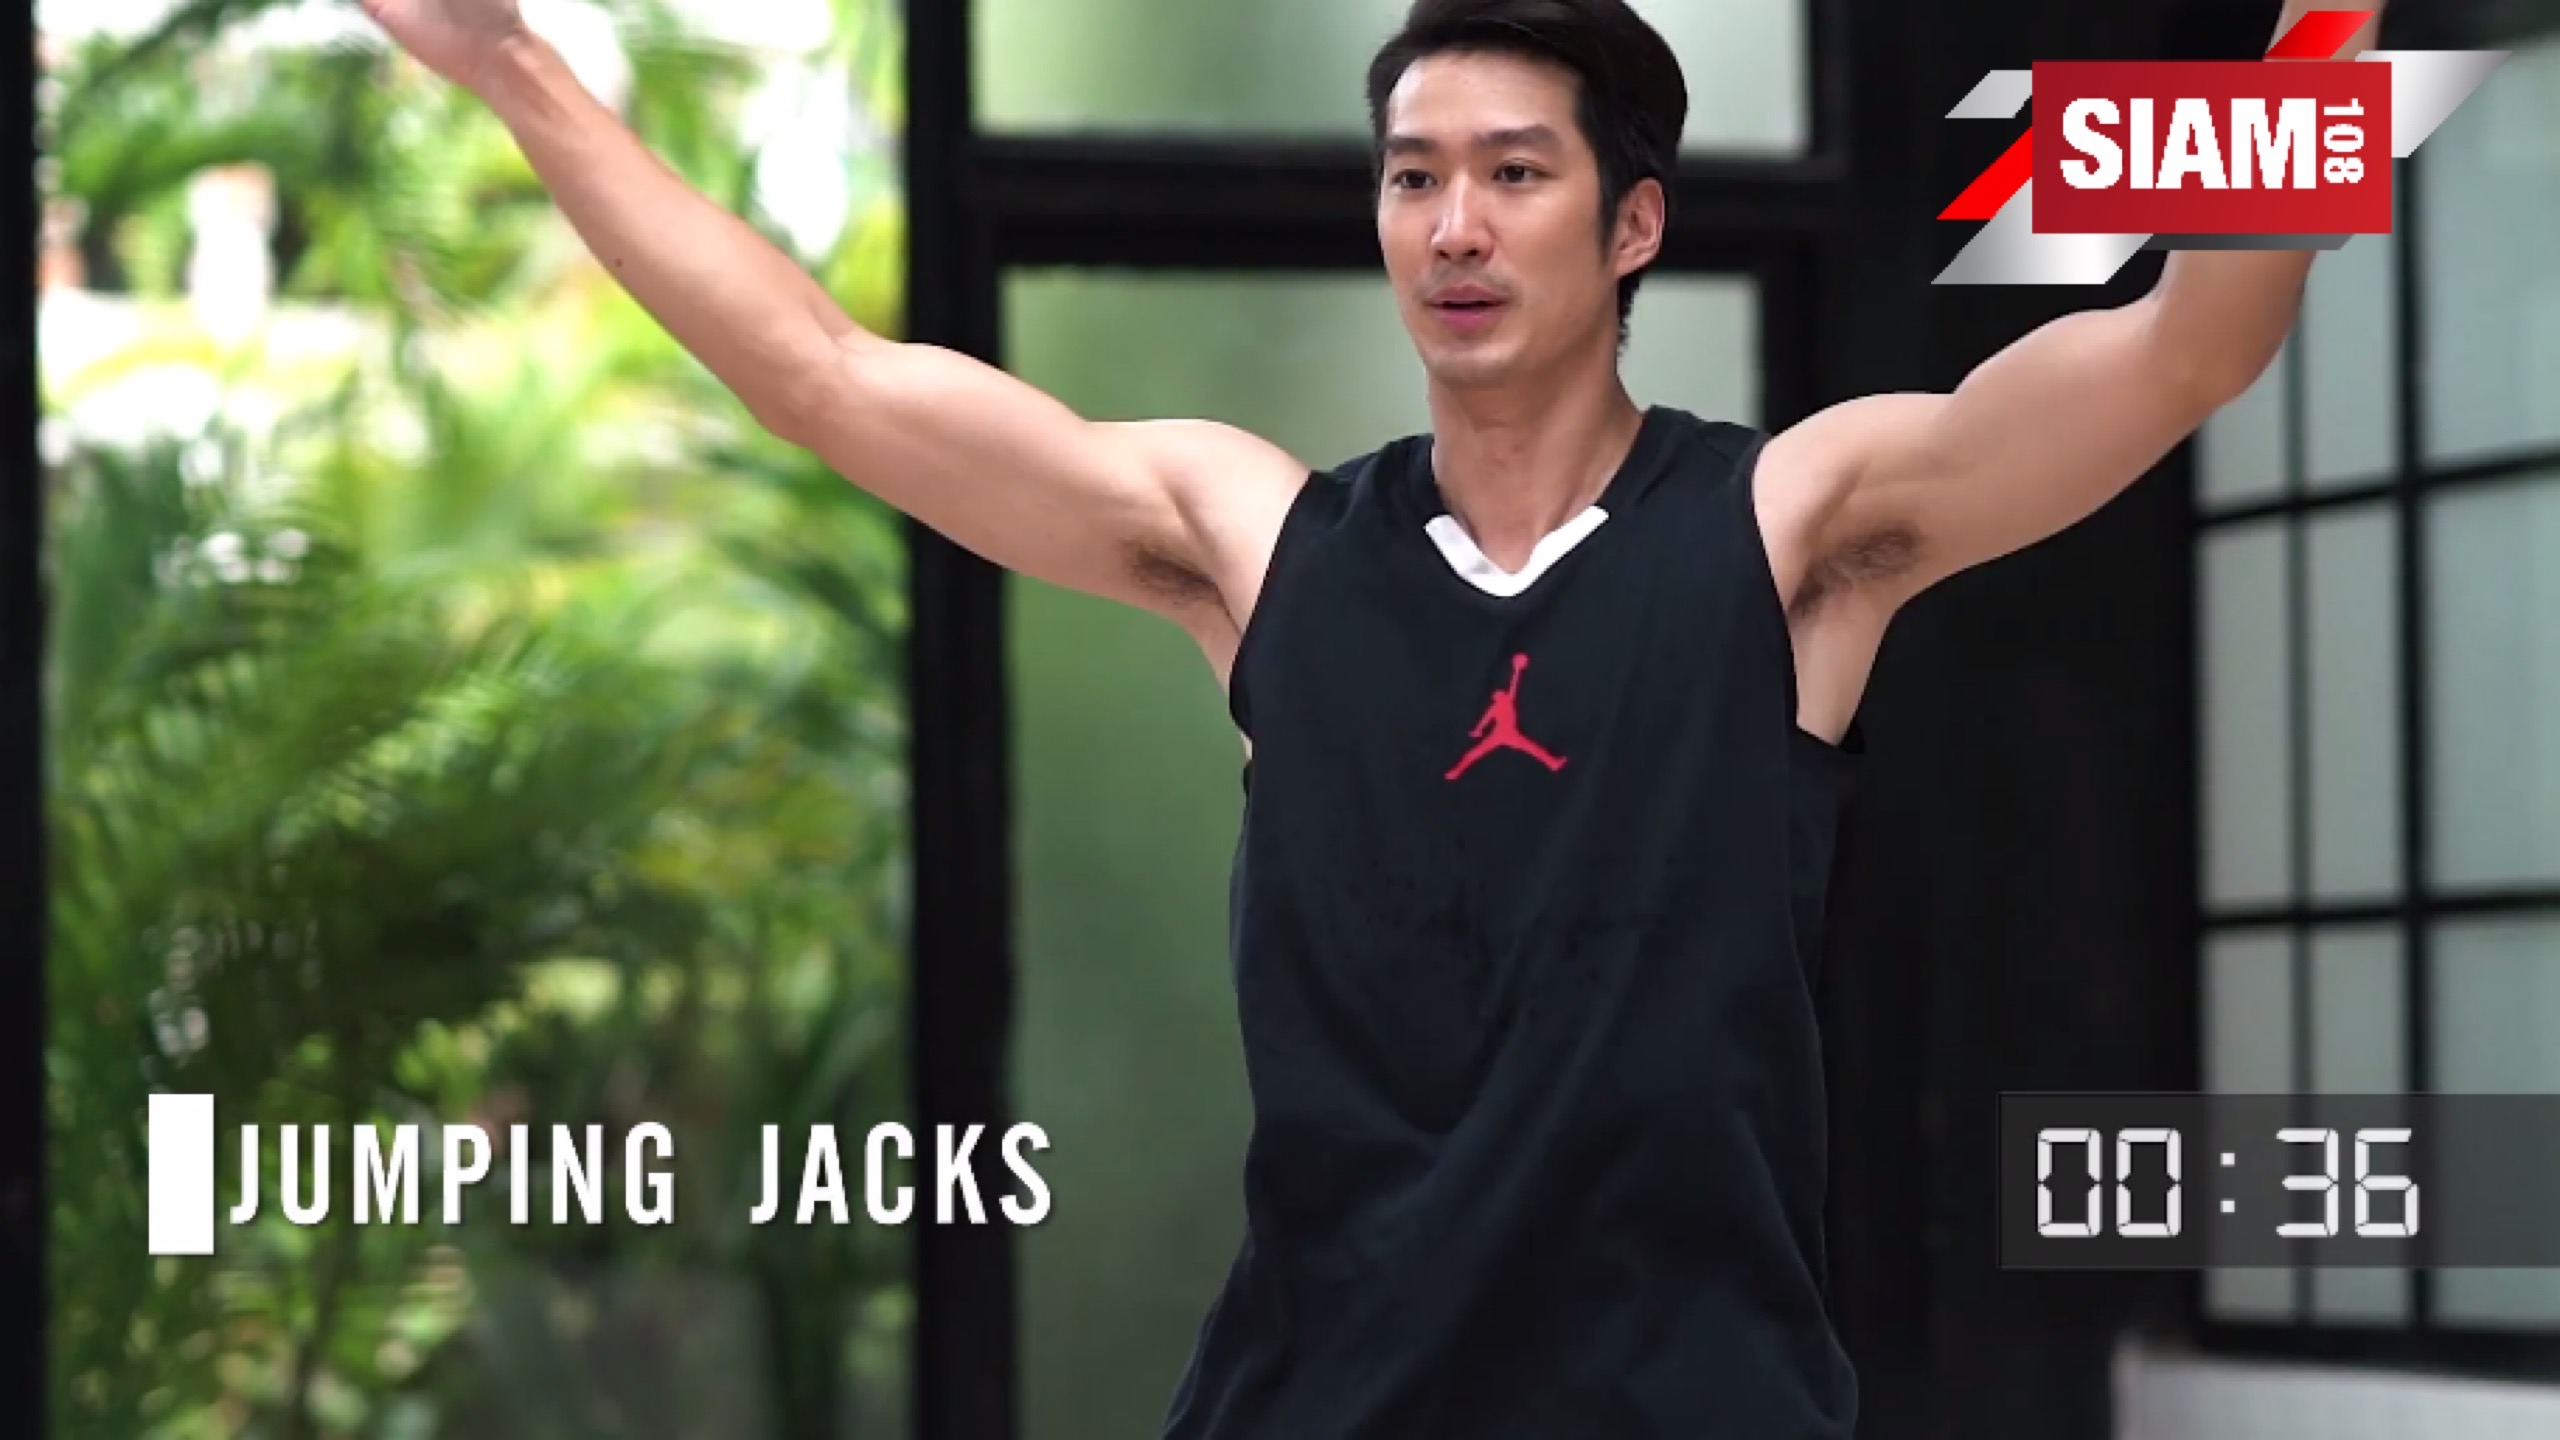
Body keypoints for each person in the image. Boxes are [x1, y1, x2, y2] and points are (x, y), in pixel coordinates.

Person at [364, 0, 2379, 1432]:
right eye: (1415, 177)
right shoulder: (1262, 545)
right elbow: (825, 376)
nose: (1453, 226)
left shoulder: (1787, 531)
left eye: (1514, 174)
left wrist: (2324, 26)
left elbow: (2181, 348)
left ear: (1633, 224)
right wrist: (512, 65)